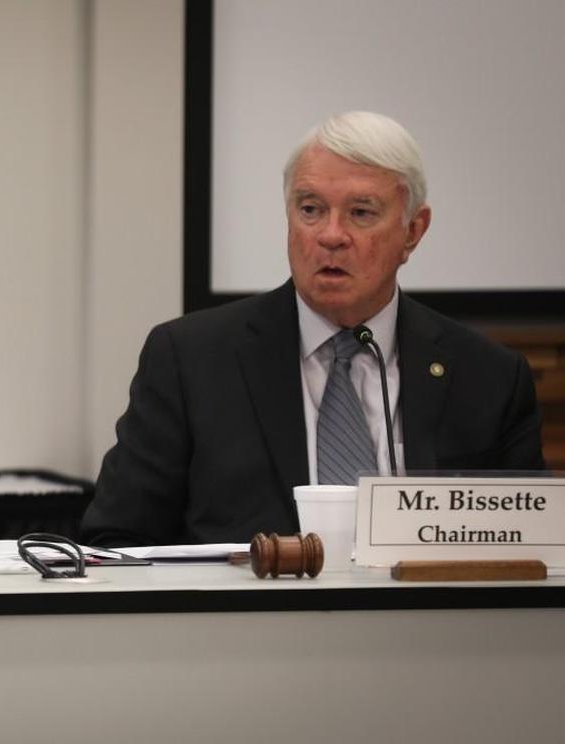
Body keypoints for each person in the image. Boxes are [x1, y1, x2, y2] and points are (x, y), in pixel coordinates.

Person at [81, 111, 545, 547]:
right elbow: (115, 543)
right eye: (310, 209)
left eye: (361, 213)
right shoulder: (190, 361)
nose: (330, 235)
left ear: (413, 231)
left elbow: (531, 553)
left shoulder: (488, 379)